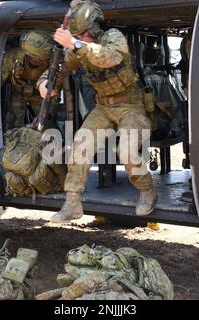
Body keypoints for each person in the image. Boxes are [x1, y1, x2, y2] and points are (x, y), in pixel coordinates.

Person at [38, 0, 157, 223]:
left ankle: (147, 190)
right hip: (103, 107)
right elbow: (59, 68)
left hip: (131, 106)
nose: (80, 39)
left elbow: (109, 57)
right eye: (77, 36)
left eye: (81, 35)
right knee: (80, 147)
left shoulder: (113, 37)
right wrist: (45, 84)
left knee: (128, 151)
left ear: (91, 29)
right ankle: (72, 203)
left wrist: (74, 43)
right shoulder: (77, 49)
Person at [2, 30, 55, 128]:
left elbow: (55, 91)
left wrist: (46, 114)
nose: (43, 60)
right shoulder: (12, 57)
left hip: (40, 96)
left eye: (44, 58)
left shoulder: (52, 63)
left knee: (46, 123)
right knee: (14, 125)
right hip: (17, 94)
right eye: (40, 58)